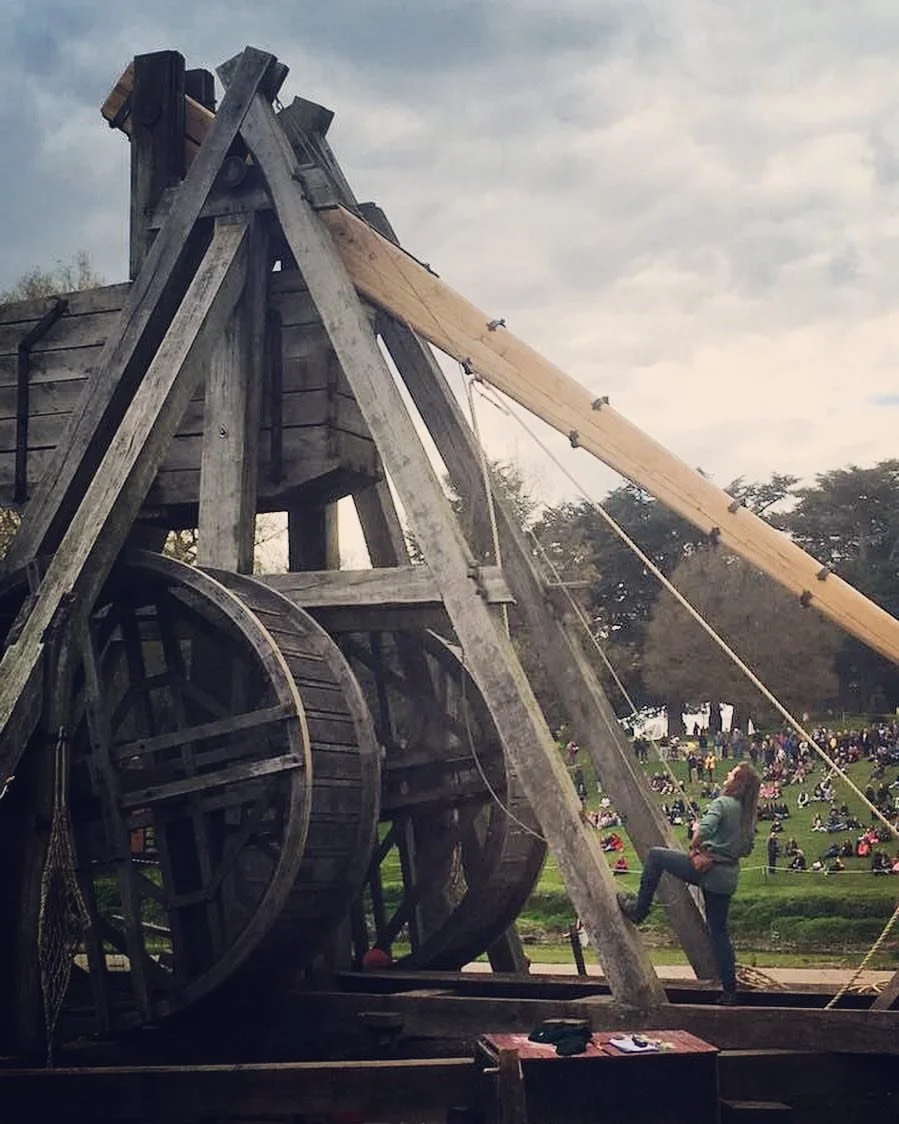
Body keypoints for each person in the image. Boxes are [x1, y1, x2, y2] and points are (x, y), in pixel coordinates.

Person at [618, 762, 760, 1006]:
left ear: (737, 782)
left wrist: (697, 844)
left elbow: (703, 830)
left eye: (732, 773)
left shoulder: (722, 803)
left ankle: (639, 910)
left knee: (655, 856)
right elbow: (746, 848)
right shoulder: (748, 815)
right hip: (727, 878)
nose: (727, 775)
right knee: (719, 932)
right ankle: (729, 991)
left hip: (709, 871)